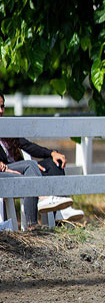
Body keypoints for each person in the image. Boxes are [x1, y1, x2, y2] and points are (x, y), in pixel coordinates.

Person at [0, 93, 83, 228]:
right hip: (6, 172)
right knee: (31, 165)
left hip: (23, 167)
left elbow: (28, 146)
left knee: (53, 163)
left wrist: (52, 153)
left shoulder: (7, 127)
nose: (1, 111)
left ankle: (61, 214)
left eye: (2, 106)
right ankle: (32, 223)